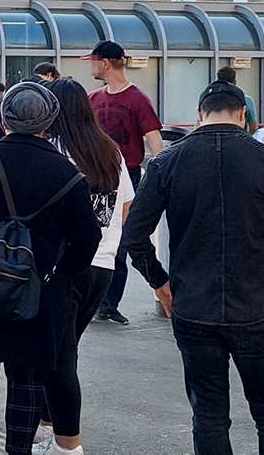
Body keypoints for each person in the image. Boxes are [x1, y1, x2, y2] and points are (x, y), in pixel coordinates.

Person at [122, 79, 264, 455]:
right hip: (258, 307)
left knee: (208, 416)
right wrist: (260, 240)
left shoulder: (166, 163)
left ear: (199, 115)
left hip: (193, 306)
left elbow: (133, 237)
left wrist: (160, 283)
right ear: (242, 114)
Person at [0, 82, 100, 455]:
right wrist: (57, 275)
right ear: (49, 121)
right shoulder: (68, 173)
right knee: (27, 375)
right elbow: (86, 240)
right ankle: (19, 450)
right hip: (38, 292)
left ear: (5, 118)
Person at [36, 77, 137, 455]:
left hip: (65, 265)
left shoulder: (55, 151)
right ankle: (51, 427)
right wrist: (108, 236)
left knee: (60, 358)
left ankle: (68, 445)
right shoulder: (110, 150)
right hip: (103, 265)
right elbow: (126, 205)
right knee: (65, 350)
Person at [83, 40, 163, 326]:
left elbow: (153, 138)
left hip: (126, 176)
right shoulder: (93, 98)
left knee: (119, 239)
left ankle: (108, 302)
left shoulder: (137, 99)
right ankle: (94, 298)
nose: (91, 66)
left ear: (105, 63)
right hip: (94, 176)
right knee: (92, 235)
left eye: (93, 61)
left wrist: (159, 177)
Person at [216, 66, 258, 134]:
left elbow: (199, 124)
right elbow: (254, 128)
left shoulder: (210, 99)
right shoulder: (246, 100)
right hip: (239, 136)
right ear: (234, 82)